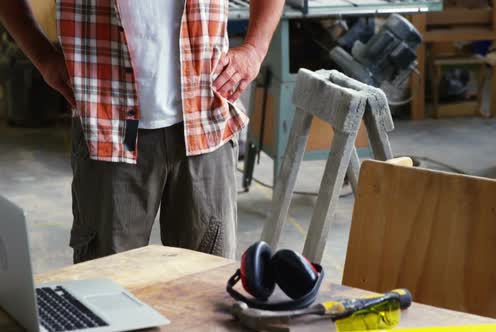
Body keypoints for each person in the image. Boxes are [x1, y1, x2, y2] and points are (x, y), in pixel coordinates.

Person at [0, 0, 284, 262]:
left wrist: (254, 49)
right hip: (108, 125)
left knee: (206, 288)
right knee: (107, 290)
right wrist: (43, 57)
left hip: (204, 120)